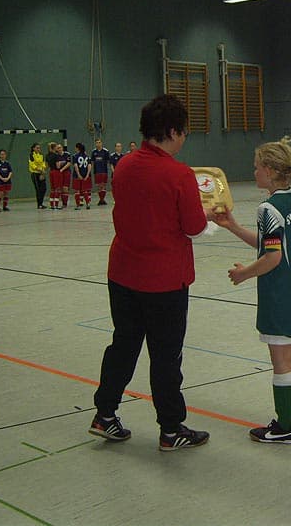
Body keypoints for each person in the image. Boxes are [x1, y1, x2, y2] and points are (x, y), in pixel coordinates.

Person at [89, 94, 213, 451]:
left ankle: (105, 413)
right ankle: (171, 428)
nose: (184, 138)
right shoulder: (178, 173)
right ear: (172, 131)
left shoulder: (124, 166)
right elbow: (193, 226)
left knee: (124, 344)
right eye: (184, 132)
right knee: (165, 354)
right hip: (163, 279)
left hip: (123, 273)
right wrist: (208, 216)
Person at [214, 137, 291, 444]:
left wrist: (243, 274)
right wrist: (233, 227)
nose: (253, 173)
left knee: (281, 358)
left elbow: (273, 257)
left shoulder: (268, 207)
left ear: (268, 169)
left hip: (281, 292)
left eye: (256, 168)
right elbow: (273, 245)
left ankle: (285, 426)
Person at [72, 142, 92, 210]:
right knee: (85, 190)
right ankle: (88, 204)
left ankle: (78, 205)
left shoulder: (75, 156)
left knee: (77, 191)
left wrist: (78, 174)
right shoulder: (87, 156)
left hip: (77, 176)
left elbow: (75, 166)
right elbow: (89, 166)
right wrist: (87, 175)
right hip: (85, 175)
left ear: (77, 148)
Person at [90, 138, 110, 206]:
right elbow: (92, 162)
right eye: (97, 143)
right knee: (98, 186)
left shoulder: (105, 151)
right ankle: (100, 199)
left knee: (103, 185)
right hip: (96, 171)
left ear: (101, 143)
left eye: (99, 142)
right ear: (95, 144)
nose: (98, 144)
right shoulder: (93, 152)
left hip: (104, 171)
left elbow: (108, 161)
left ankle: (103, 199)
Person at [28, 143, 47, 209]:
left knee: (44, 188)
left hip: (41, 173)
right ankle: (39, 204)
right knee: (38, 189)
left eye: (39, 148)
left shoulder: (41, 155)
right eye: (37, 148)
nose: (38, 149)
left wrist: (43, 171)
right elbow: (32, 165)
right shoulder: (32, 155)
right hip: (35, 173)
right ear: (33, 148)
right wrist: (39, 170)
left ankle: (41, 203)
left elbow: (43, 163)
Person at [46, 142, 62, 210]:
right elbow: (58, 166)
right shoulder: (56, 155)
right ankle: (56, 204)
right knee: (57, 189)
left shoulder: (47, 155)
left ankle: (52, 204)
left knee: (52, 189)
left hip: (51, 172)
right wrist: (60, 163)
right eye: (56, 147)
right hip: (56, 172)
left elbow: (47, 165)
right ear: (54, 148)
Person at [57, 143, 72, 209]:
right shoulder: (56, 156)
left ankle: (65, 203)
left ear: (62, 148)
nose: (59, 149)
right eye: (58, 148)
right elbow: (57, 165)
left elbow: (69, 163)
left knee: (65, 187)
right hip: (60, 173)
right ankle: (63, 202)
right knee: (61, 188)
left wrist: (62, 169)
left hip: (66, 172)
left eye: (60, 147)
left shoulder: (67, 154)